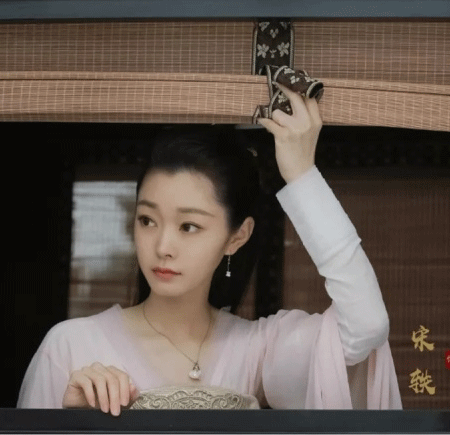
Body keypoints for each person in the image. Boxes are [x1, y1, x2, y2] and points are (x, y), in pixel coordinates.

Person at [17, 82, 402, 414]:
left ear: (238, 236)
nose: (162, 246)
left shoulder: (255, 351)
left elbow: (366, 325)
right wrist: (75, 425)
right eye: (147, 220)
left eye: (189, 226)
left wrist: (301, 174)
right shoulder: (71, 347)